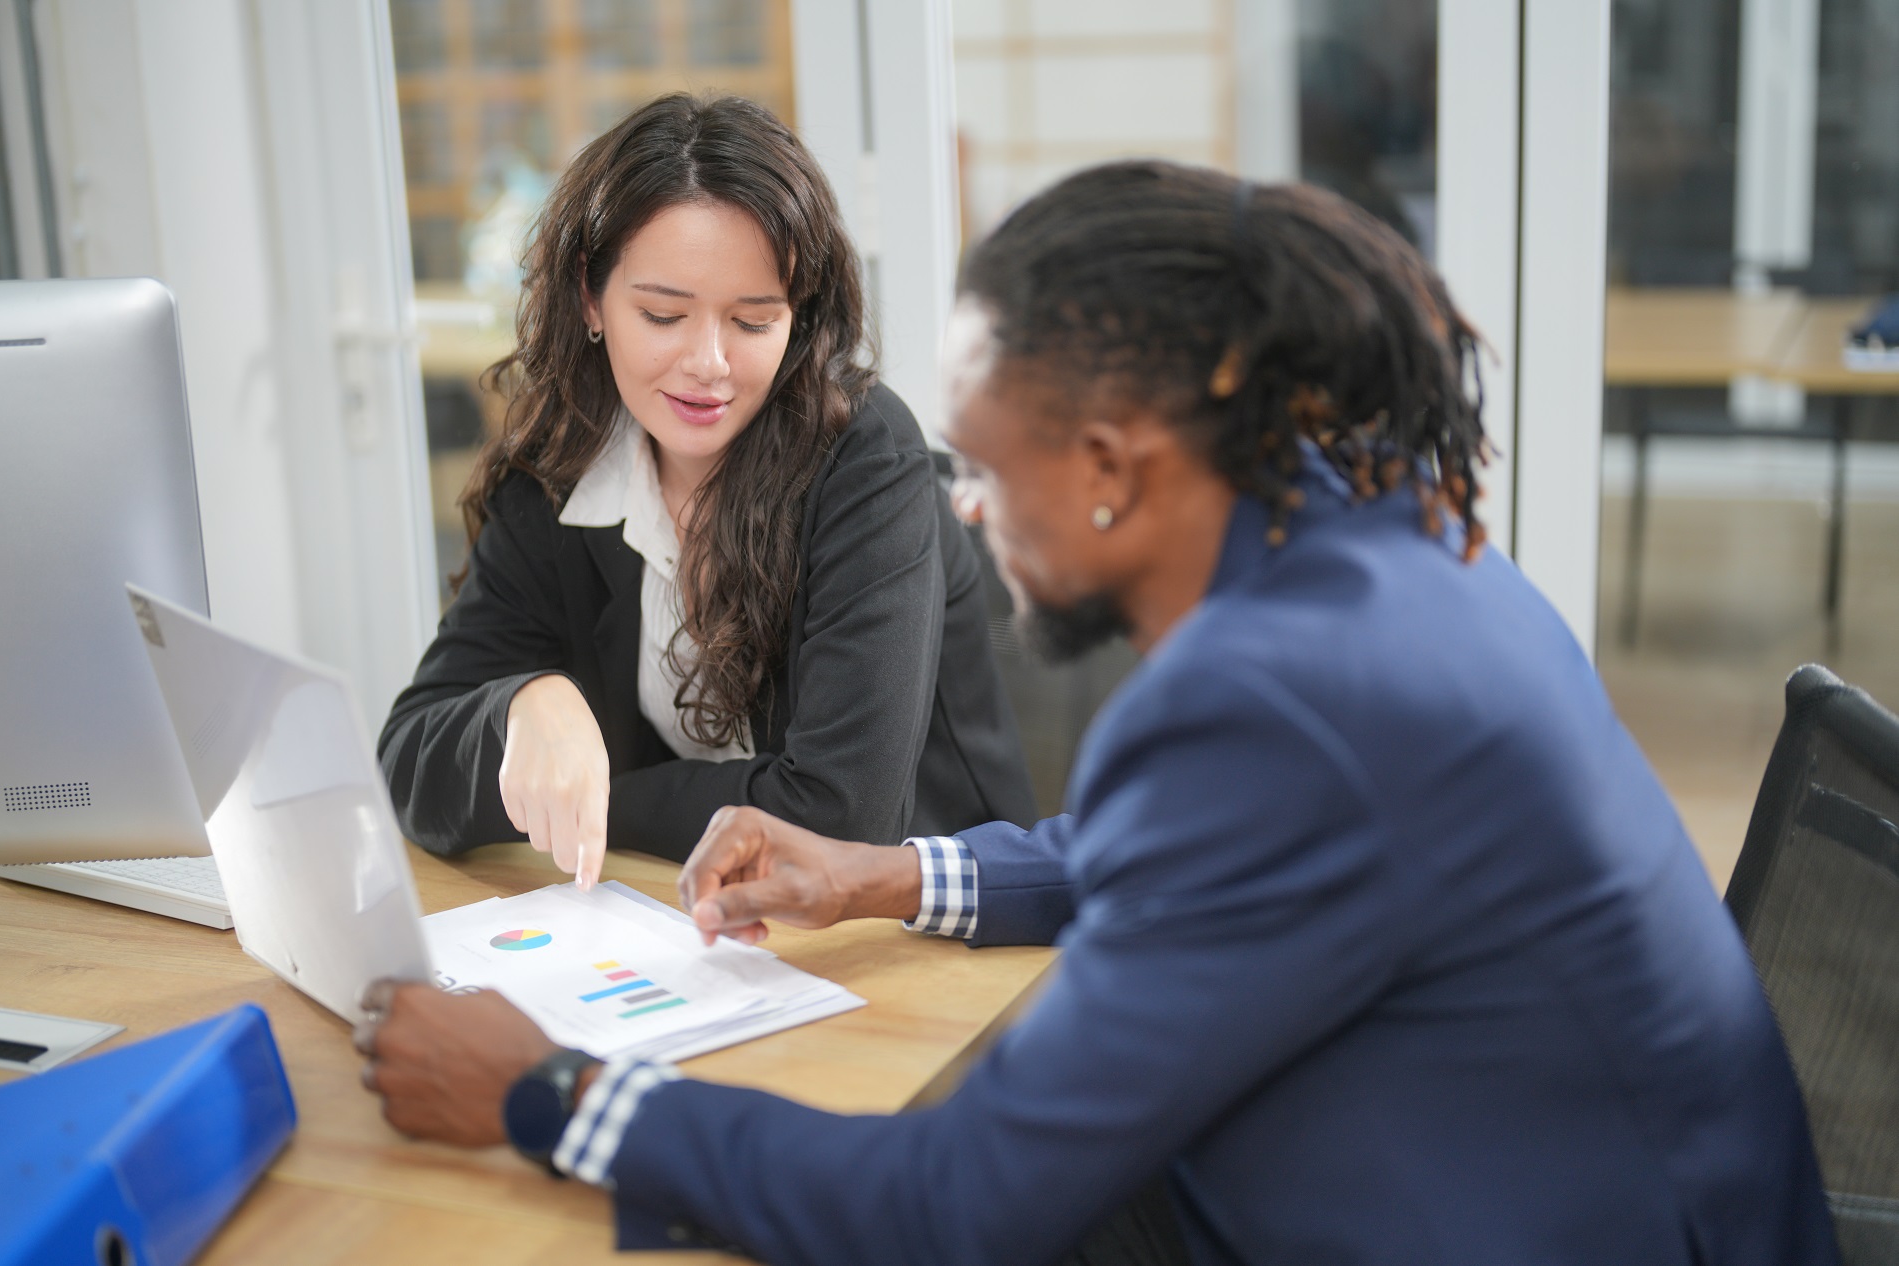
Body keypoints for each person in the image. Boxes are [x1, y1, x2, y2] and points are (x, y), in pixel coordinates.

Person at [357, 163, 1838, 1265]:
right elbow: (1235, 842)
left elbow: (955, 1203)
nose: (973, 518)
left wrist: (547, 1092)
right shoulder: (1388, 530)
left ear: (1118, 462)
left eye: (992, 474)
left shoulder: (1273, 697)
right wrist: (894, 873)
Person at [378, 94, 1035, 884]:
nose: (709, 364)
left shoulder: (865, 458)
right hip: (687, 912)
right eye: (663, 315)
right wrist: (520, 708)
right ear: (591, 298)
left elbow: (842, 816)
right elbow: (408, 764)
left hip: (923, 938)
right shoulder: (561, 473)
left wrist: (598, 796)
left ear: (799, 321)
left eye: (754, 322)